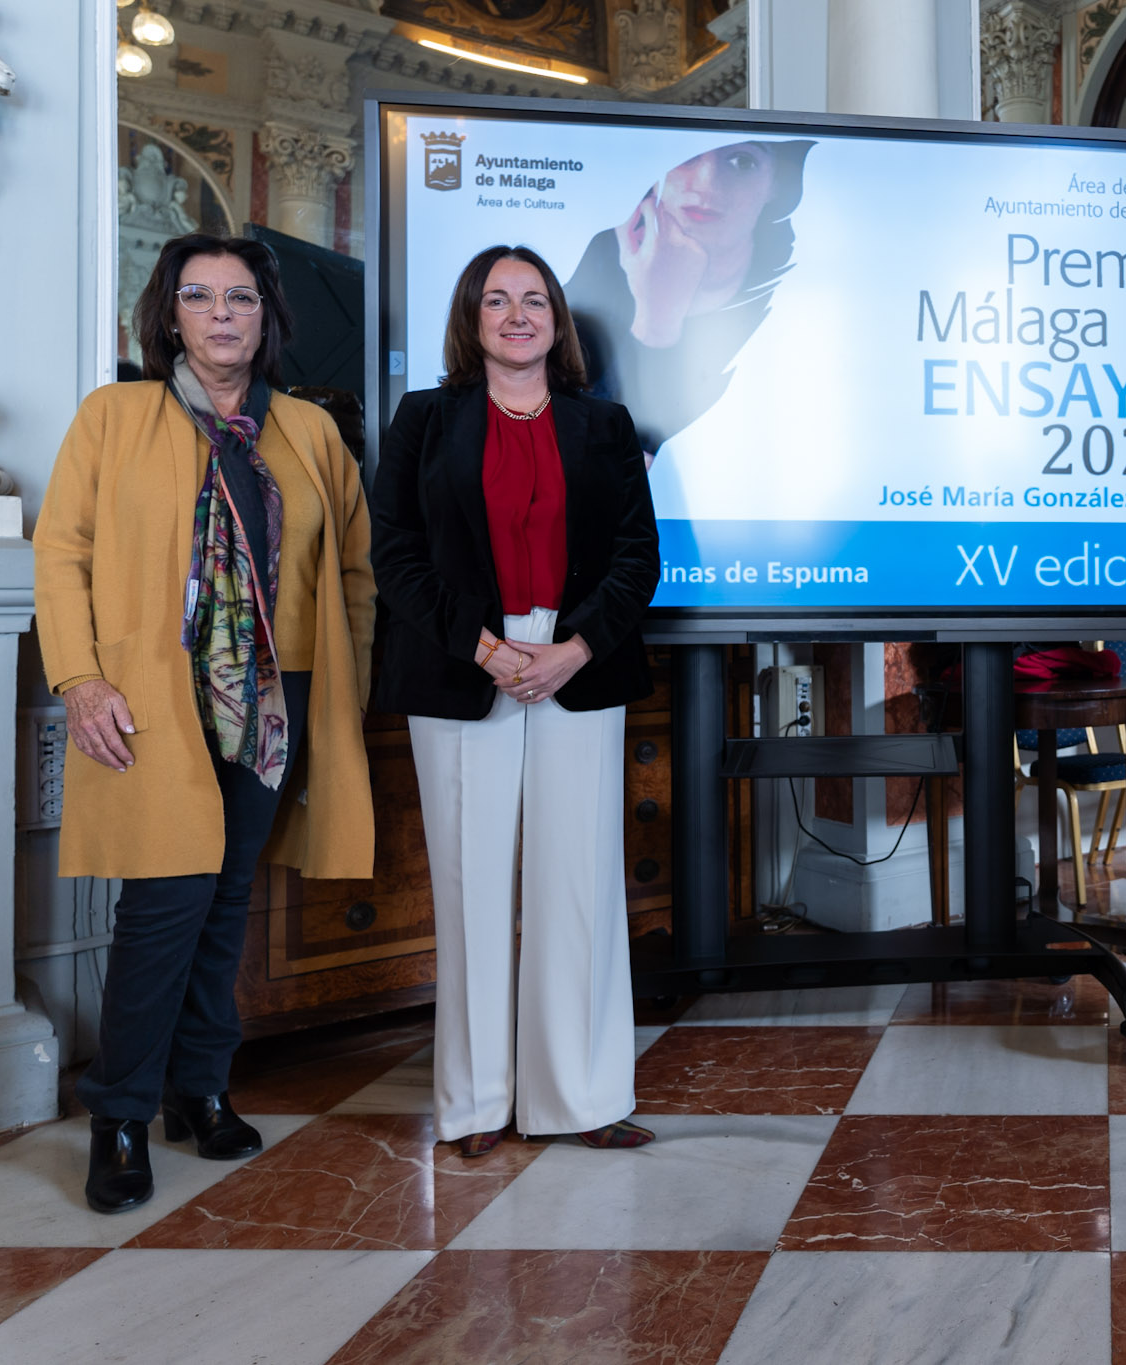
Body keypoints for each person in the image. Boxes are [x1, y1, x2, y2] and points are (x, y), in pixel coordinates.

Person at [34, 233, 376, 1213]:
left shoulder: (309, 431)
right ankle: (121, 1114)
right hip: (149, 695)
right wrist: (79, 679)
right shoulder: (116, 415)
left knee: (228, 899)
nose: (222, 313)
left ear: (266, 318)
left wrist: (340, 700)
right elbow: (62, 551)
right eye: (199, 296)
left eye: (240, 297)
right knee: (163, 907)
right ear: (168, 314)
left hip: (279, 693)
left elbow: (352, 573)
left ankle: (199, 1087)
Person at [372, 244, 662, 1157]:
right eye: (496, 300)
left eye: (534, 299)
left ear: (557, 320)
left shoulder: (606, 425)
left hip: (579, 663)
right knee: (470, 883)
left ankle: (579, 1095)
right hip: (465, 666)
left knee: (580, 885)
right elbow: (395, 556)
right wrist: (488, 647)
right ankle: (475, 1104)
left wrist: (571, 647)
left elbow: (635, 559)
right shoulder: (424, 419)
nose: (516, 314)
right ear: (472, 318)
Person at [563, 139, 813, 456]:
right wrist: (656, 319)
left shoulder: (800, 292)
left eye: (741, 162)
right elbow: (592, 464)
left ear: (776, 184)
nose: (706, 184)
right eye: (686, 157)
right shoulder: (598, 262)